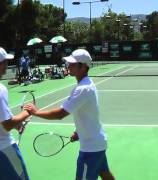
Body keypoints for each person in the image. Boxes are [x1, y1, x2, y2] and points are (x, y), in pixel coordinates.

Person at [24, 49, 115, 180]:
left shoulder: (82, 89)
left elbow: (61, 114)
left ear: (83, 67)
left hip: (91, 149)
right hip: (97, 143)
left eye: (72, 63)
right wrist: (78, 132)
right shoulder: (86, 85)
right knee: (106, 175)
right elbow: (88, 114)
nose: (68, 66)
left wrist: (36, 112)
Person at [0, 47, 31, 180]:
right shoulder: (1, 89)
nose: (7, 65)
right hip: (5, 150)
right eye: (5, 62)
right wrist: (26, 112)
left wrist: (16, 123)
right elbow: (6, 124)